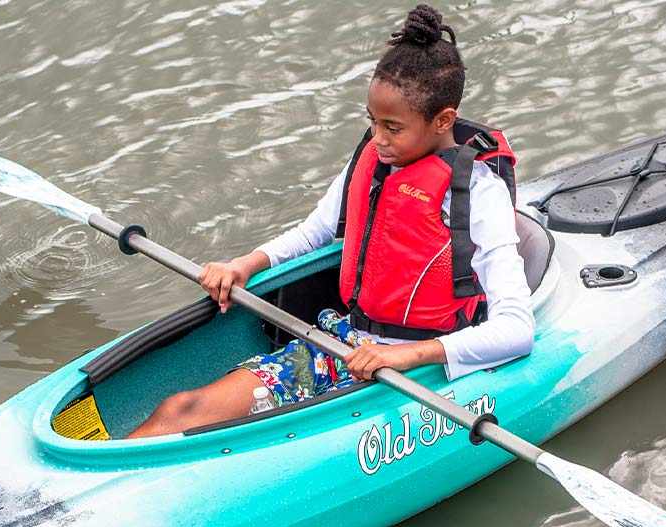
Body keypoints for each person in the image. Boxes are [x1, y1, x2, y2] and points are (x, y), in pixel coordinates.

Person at [124, 4, 534, 440]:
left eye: (392, 127)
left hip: (420, 370)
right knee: (182, 408)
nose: (377, 138)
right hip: (343, 343)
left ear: (443, 120)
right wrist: (246, 263)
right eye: (372, 122)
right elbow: (316, 231)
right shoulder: (378, 159)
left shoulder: (476, 193)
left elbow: (517, 330)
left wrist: (408, 356)